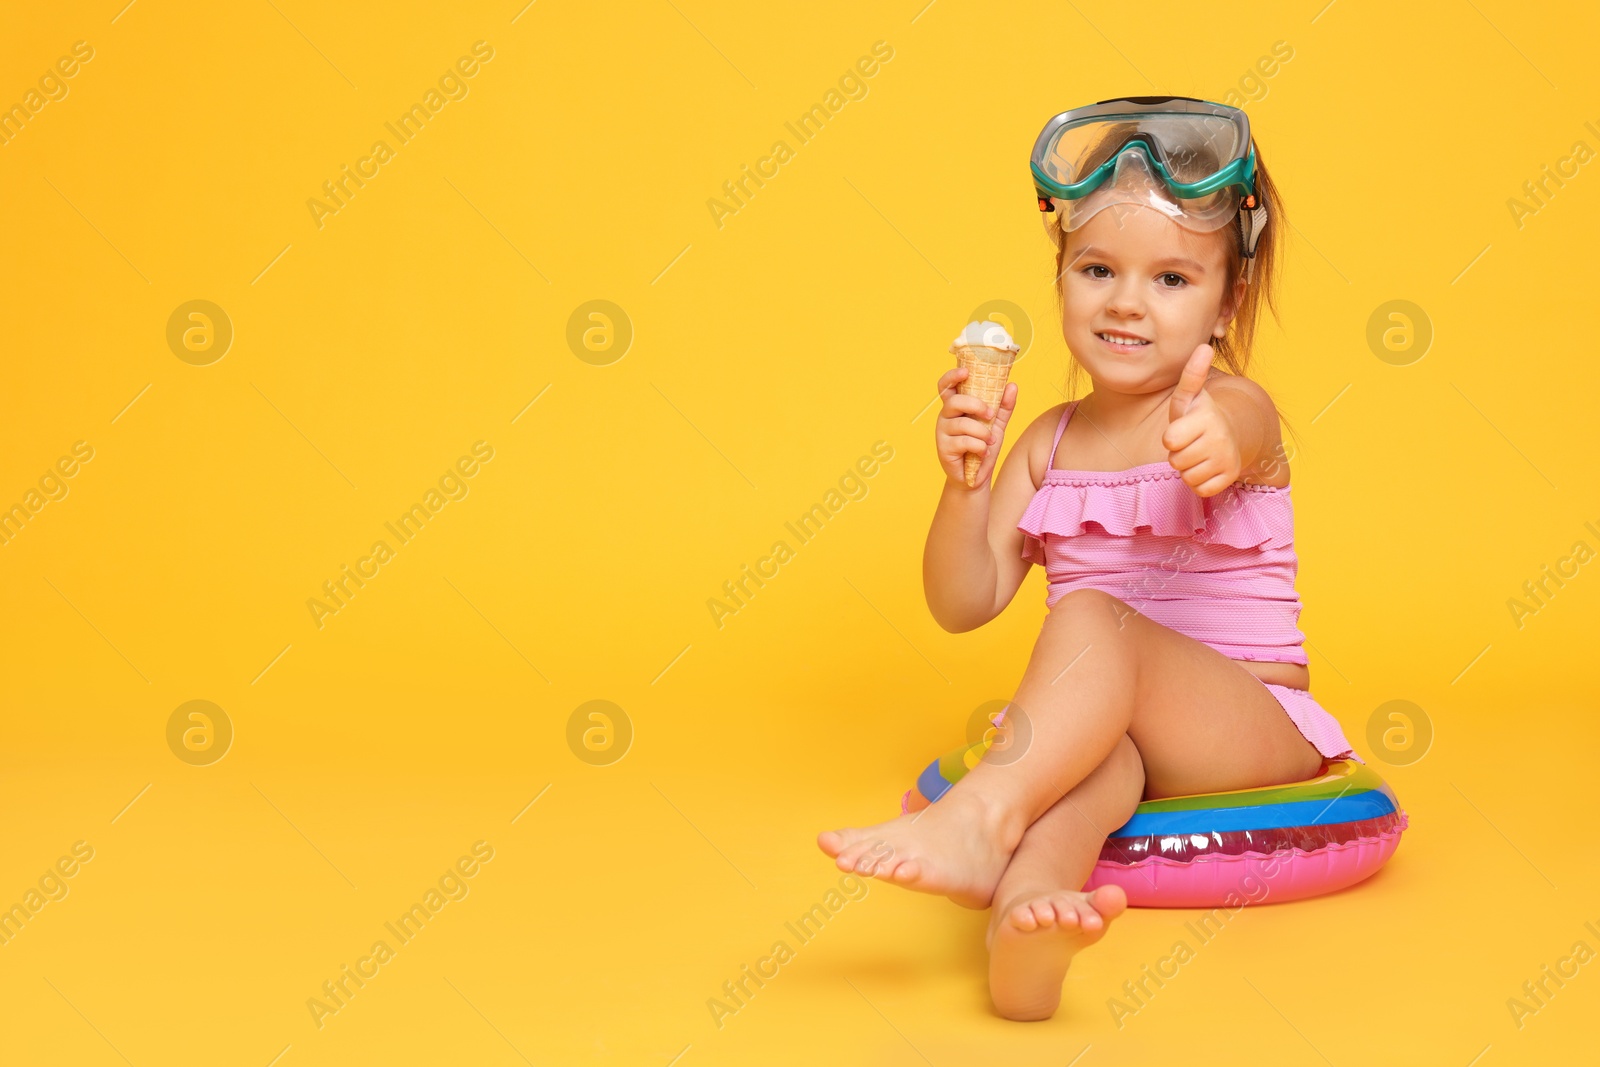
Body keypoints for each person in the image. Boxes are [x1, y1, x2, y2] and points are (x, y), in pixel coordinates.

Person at [816, 97, 1361, 1021]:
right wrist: (965, 485)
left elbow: (1247, 430)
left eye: (1172, 280)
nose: (1125, 302)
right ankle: (1023, 932)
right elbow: (963, 601)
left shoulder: (1233, 407)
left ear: (1227, 300)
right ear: (1061, 272)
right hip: (1134, 741)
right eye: (1097, 267)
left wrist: (1217, 440)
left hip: (1250, 722)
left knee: (1088, 616)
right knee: (1090, 776)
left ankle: (981, 816)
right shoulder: (1044, 444)